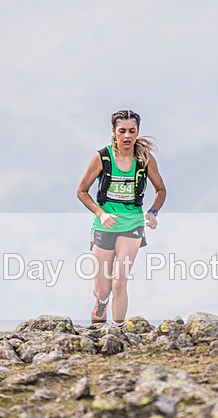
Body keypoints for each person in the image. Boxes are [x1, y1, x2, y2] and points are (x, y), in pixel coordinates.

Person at [76, 110, 167, 327]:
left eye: (132, 131)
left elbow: (161, 190)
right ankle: (101, 303)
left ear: (137, 132)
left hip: (132, 225)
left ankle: (117, 331)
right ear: (114, 132)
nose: (127, 136)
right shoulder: (102, 158)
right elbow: (82, 191)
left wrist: (153, 213)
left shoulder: (145, 159)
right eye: (122, 131)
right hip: (104, 225)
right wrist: (101, 213)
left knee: (119, 283)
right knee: (103, 289)